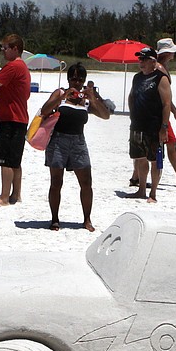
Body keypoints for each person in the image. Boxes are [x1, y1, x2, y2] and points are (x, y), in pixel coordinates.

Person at [39, 62, 110, 231]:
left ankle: (87, 219)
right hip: (58, 141)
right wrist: (63, 97)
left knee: (86, 182)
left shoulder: (85, 100)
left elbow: (105, 115)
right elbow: (44, 110)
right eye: (73, 79)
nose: (77, 82)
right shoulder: (60, 93)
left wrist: (92, 98)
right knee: (56, 182)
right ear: (68, 79)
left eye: (80, 79)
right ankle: (55, 219)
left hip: (78, 142)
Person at [130, 38, 176, 187]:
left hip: (153, 116)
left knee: (143, 149)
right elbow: (165, 99)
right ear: (167, 53)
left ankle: (136, 177)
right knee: (167, 145)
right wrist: (175, 114)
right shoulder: (160, 70)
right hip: (158, 116)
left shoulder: (158, 68)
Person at [0, 33, 31, 207]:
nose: (3, 51)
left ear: (15, 49)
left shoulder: (13, 66)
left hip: (12, 119)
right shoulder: (22, 67)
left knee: (5, 160)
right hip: (19, 118)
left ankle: (4, 198)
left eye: (5, 48)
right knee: (15, 160)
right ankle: (16, 194)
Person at [128, 47, 172, 203]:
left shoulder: (161, 78)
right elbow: (131, 96)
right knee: (140, 158)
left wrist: (164, 127)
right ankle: (141, 189)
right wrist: (132, 115)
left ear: (153, 61)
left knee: (155, 160)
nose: (141, 62)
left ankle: (153, 193)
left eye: (145, 59)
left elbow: (166, 104)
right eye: (140, 59)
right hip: (137, 125)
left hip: (154, 126)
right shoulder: (137, 78)